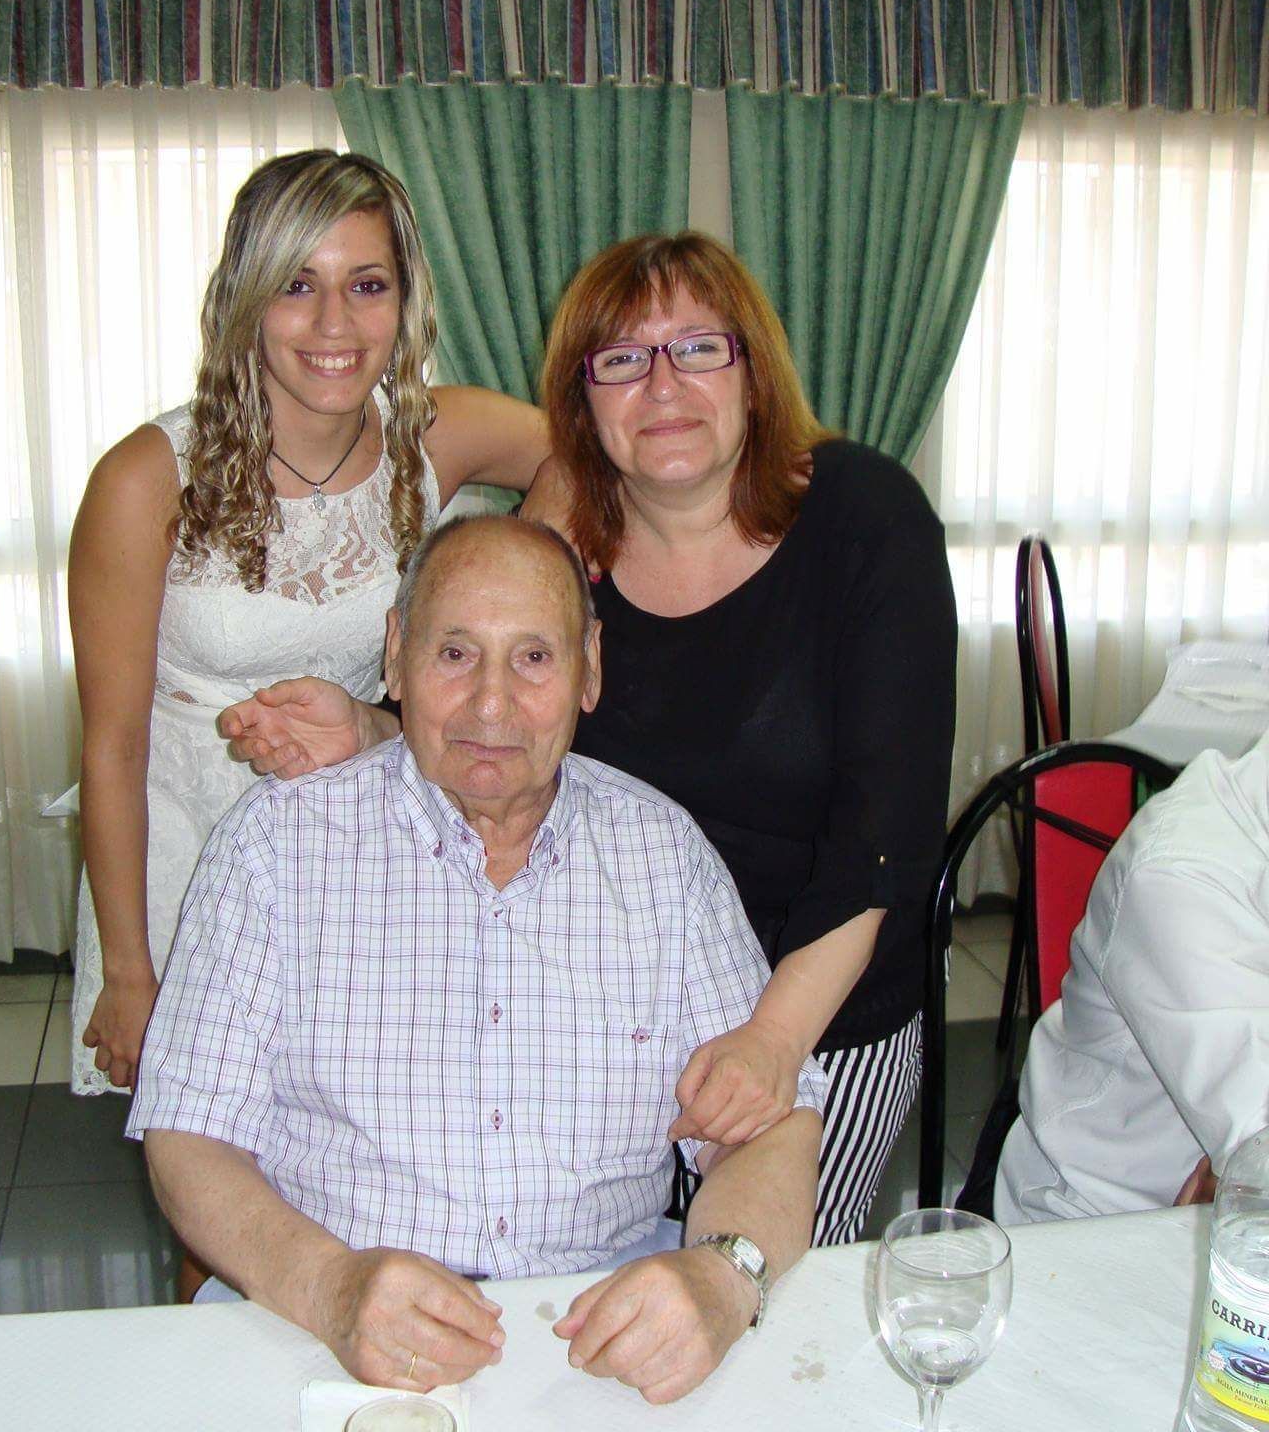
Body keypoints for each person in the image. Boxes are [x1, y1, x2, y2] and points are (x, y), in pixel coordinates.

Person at [222, 233, 957, 1244]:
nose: (662, 385)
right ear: (582, 401)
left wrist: (771, 1041)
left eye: (699, 348)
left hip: (822, 996)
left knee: (752, 1290)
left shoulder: (864, 520)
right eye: (621, 359)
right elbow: (499, 707)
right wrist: (369, 724)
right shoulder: (574, 542)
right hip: (620, 986)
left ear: (754, 370)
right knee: (590, 1265)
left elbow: (885, 832)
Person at [130, 516, 825, 1405]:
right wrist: (328, 1287)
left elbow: (769, 1126)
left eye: (534, 658)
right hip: (319, 1324)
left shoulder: (664, 856)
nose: (491, 705)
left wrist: (723, 1278)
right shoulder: (274, 849)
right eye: (455, 653)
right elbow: (188, 1135)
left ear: (590, 669)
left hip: (601, 1328)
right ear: (394, 653)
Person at [67, 147, 546, 1103]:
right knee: (211, 1190)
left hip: (369, 852)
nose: (336, 325)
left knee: (375, 1157)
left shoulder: (436, 438)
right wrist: (129, 970)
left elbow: (596, 454)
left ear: (405, 300)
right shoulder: (147, 479)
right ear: (247, 299)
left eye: (367, 285)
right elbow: (112, 749)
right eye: (298, 285)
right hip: (189, 860)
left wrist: (510, 598)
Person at [995, 729, 1269, 1226]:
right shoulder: (1181, 877)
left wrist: (1240, 1168)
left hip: (1206, 1218)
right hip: (1102, 1221)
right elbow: (1260, 1159)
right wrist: (1242, 1168)